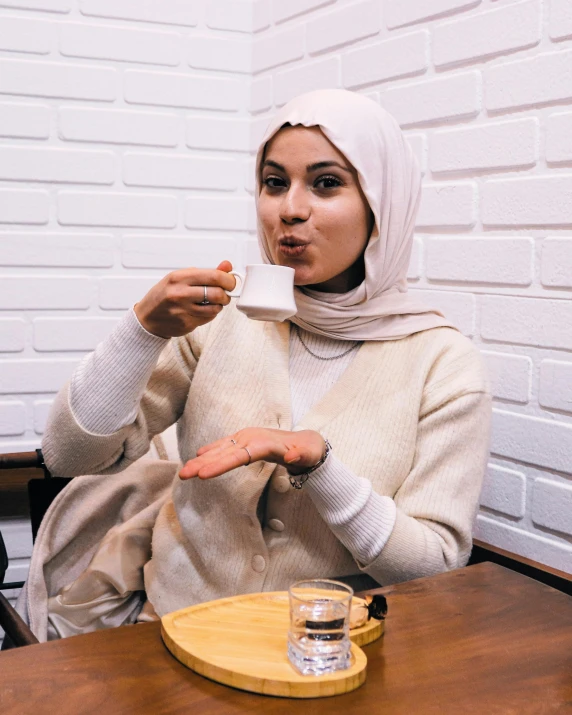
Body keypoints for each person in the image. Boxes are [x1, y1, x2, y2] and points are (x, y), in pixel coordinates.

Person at [38, 89, 491, 633]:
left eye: (326, 183)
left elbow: (437, 562)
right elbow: (68, 454)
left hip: (327, 655)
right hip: (175, 630)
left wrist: (320, 467)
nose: (290, 209)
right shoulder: (222, 325)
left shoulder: (442, 363)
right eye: (275, 183)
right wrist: (141, 333)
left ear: (381, 205)